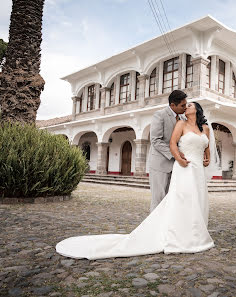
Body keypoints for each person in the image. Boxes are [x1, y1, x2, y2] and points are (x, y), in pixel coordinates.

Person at [55, 101, 219, 260]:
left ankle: (197, 233)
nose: (186, 106)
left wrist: (207, 159)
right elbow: (172, 144)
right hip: (184, 167)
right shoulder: (181, 125)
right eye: (185, 104)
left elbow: (206, 147)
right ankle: (180, 236)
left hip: (198, 169)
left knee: (198, 199)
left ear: (197, 110)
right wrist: (179, 159)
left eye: (189, 105)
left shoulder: (204, 128)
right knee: (182, 199)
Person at [149, 90, 188, 212]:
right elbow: (155, 140)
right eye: (182, 105)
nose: (185, 108)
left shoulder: (182, 118)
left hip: (176, 166)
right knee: (158, 198)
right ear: (172, 105)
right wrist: (175, 155)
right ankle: (154, 228)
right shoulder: (159, 115)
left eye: (186, 104)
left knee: (170, 199)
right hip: (160, 164)